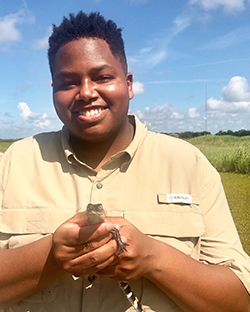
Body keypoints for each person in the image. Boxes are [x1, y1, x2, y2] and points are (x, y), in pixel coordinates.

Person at [0, 11, 249, 312]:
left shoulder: (189, 165)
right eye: (68, 83)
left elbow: (238, 301)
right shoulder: (13, 163)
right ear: (53, 91)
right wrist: (52, 257)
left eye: (103, 77)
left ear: (129, 84)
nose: (87, 92)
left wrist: (153, 258)